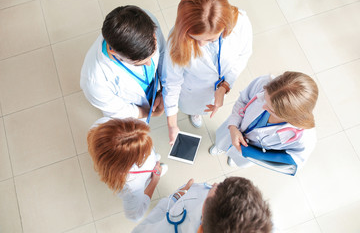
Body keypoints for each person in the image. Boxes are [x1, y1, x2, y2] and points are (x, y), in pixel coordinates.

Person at [162, 0, 253, 144]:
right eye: (195, 38)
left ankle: (198, 112)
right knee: (193, 107)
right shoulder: (176, 42)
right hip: (192, 90)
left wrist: (225, 86)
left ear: (225, 25)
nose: (202, 44)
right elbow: (171, 83)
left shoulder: (241, 22)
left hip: (217, 89)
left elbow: (243, 55)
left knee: (205, 106)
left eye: (211, 39)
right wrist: (172, 125)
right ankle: (194, 113)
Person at [210, 71, 319, 174]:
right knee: (222, 141)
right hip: (234, 129)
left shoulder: (304, 138)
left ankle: (234, 157)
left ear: (288, 116)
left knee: (238, 157)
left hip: (252, 150)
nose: (263, 106)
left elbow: (294, 163)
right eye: (264, 99)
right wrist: (233, 127)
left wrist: (254, 155)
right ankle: (221, 147)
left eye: (271, 109)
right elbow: (243, 101)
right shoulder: (264, 83)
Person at [81, 6, 166, 122]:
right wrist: (150, 113)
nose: (149, 64)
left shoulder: (146, 20)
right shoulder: (95, 82)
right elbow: (121, 111)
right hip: (133, 110)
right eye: (139, 63)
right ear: (113, 52)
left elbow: (163, 53)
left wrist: (164, 90)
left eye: (152, 55)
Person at [87, 117, 168, 221]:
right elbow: (135, 216)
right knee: (158, 163)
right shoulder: (132, 185)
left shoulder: (101, 124)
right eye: (143, 152)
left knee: (154, 158)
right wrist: (154, 181)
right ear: (127, 162)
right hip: (146, 176)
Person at [132, 177, 272, 233]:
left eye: (215, 188)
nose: (215, 184)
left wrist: (175, 198)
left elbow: (150, 222)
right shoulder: (259, 225)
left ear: (204, 209)